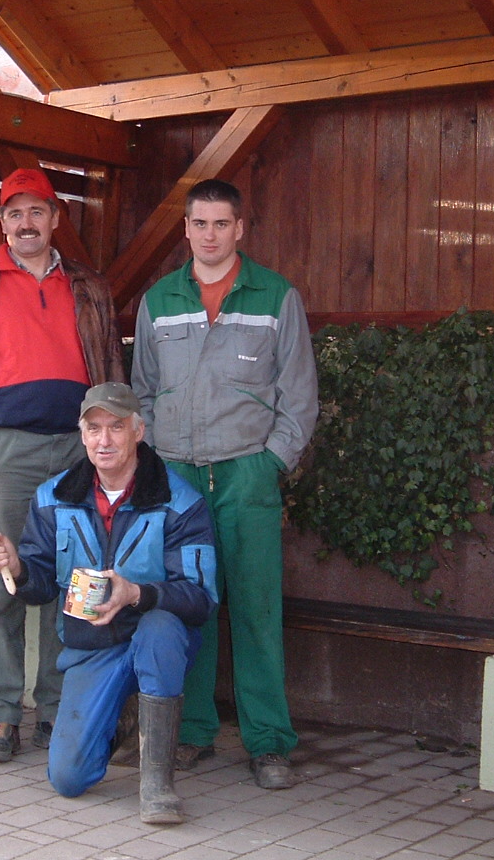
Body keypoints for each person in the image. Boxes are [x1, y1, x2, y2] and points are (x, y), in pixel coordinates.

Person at [0, 166, 124, 763]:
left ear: (55, 218)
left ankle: (60, 708)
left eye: (37, 211)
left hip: (77, 449)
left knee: (77, 579)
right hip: (6, 451)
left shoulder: (88, 286)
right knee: (3, 581)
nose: (26, 223)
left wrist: (108, 443)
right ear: (2, 222)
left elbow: (112, 371)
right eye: (15, 213)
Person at [131, 178, 319, 789]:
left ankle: (269, 743)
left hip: (246, 473)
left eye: (220, 224)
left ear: (239, 229)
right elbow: (142, 392)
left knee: (257, 610)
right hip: (178, 477)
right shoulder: (159, 299)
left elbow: (299, 394)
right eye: (199, 224)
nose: (209, 235)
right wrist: (155, 465)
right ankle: (192, 732)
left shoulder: (276, 296)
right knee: (190, 606)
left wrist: (270, 462)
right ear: (185, 229)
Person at [0, 382, 217, 824]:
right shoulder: (53, 498)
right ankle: (120, 720)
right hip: (92, 648)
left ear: (138, 431)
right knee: (68, 778)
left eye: (116, 427)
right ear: (82, 434)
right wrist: (17, 567)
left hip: (155, 641)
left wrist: (138, 594)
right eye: (94, 429)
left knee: (161, 627)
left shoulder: (180, 502)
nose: (104, 440)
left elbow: (201, 598)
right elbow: (40, 587)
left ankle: (157, 784)